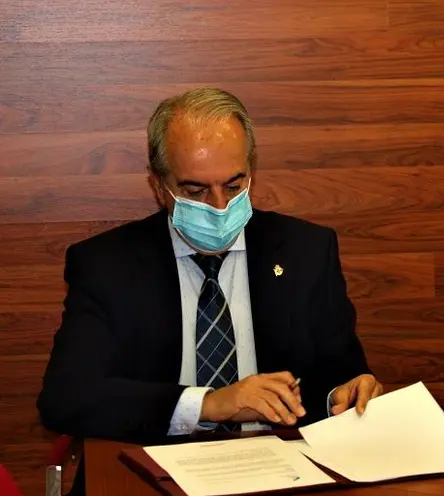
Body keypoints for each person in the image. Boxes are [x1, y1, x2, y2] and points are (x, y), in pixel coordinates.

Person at [38, 87, 382, 445]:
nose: (219, 207)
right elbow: (66, 398)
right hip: (153, 472)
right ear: (158, 185)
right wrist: (209, 404)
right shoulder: (107, 265)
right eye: (195, 191)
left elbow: (340, 375)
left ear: (251, 172)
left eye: (233, 186)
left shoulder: (306, 251)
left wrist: (346, 394)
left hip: (280, 469)